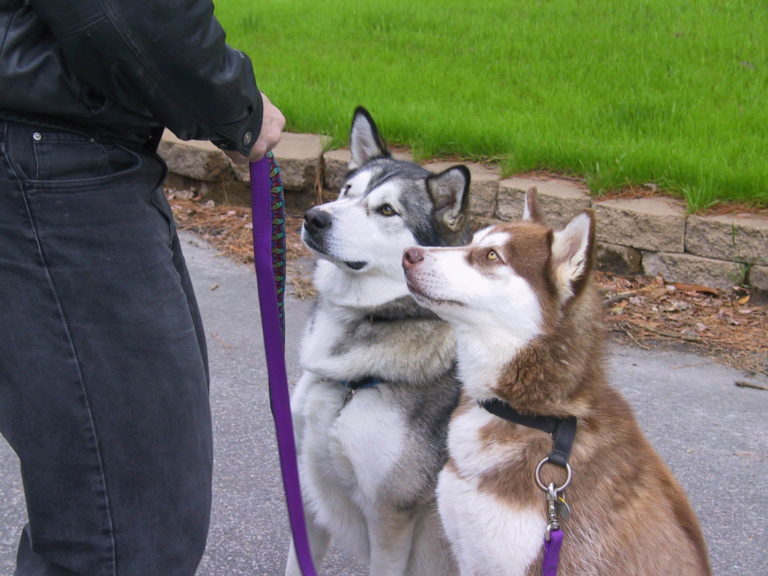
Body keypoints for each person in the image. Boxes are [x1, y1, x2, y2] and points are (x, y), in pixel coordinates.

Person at [0, 0, 285, 574]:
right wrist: (234, 107)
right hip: (47, 161)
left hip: (37, 146)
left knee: (102, 503)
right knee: (124, 529)